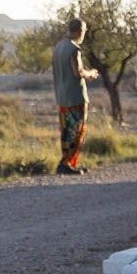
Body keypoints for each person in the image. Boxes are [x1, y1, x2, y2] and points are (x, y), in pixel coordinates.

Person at [51, 18, 99, 175]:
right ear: (79, 31)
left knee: (66, 130)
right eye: (84, 31)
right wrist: (91, 73)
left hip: (62, 96)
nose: (84, 34)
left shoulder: (59, 47)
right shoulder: (73, 49)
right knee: (76, 131)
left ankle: (66, 163)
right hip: (75, 96)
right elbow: (77, 72)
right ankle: (67, 163)